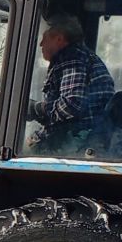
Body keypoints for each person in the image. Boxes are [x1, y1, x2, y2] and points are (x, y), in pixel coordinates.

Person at [30, 13, 114, 149]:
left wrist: (37, 109)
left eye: (44, 38)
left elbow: (72, 104)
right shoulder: (82, 57)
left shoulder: (71, 58)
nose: (40, 44)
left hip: (77, 141)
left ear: (59, 38)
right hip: (84, 137)